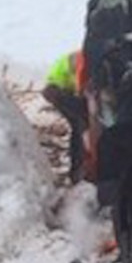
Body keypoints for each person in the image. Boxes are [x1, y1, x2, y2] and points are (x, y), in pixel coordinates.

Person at [42, 48, 88, 179]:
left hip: (59, 90)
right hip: (55, 91)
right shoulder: (86, 59)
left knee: (79, 125)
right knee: (80, 125)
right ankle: (78, 170)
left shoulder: (87, 54)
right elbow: (80, 86)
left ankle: (78, 169)